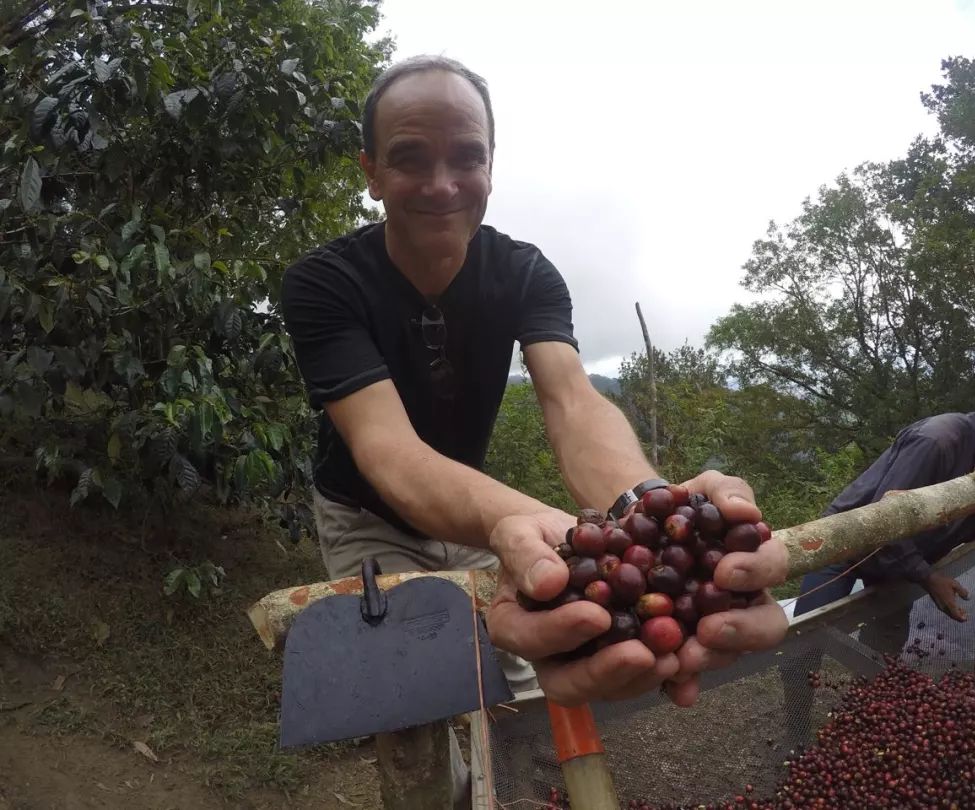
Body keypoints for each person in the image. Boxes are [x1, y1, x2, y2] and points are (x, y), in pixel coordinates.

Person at [280, 54, 790, 802]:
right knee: (410, 706)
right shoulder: (325, 283)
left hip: (476, 510)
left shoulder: (525, 274)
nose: (443, 183)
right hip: (368, 517)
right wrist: (533, 520)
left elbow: (573, 403)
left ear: (492, 164)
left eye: (467, 157)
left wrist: (651, 510)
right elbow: (386, 450)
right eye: (410, 159)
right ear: (371, 172)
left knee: (523, 686)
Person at [793, 356, 975, 622]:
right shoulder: (938, 441)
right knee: (807, 638)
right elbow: (882, 521)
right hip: (844, 546)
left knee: (886, 646)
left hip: (903, 562)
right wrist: (927, 576)